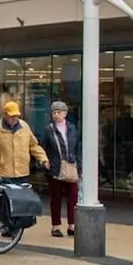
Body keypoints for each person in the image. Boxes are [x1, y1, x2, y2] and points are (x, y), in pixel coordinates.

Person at [0, 100, 47, 188]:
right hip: (4, 174)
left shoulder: (24, 126)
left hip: (22, 173)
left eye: (16, 116)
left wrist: (43, 159)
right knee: (6, 200)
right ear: (5, 115)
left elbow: (33, 146)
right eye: (11, 116)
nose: (14, 118)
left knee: (22, 200)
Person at [42, 100, 81, 239]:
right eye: (54, 112)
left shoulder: (72, 128)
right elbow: (43, 147)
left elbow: (77, 147)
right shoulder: (49, 129)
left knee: (73, 196)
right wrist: (45, 162)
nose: (56, 115)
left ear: (65, 113)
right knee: (56, 197)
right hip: (55, 168)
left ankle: (72, 225)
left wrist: (79, 164)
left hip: (71, 165)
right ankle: (56, 225)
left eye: (58, 112)